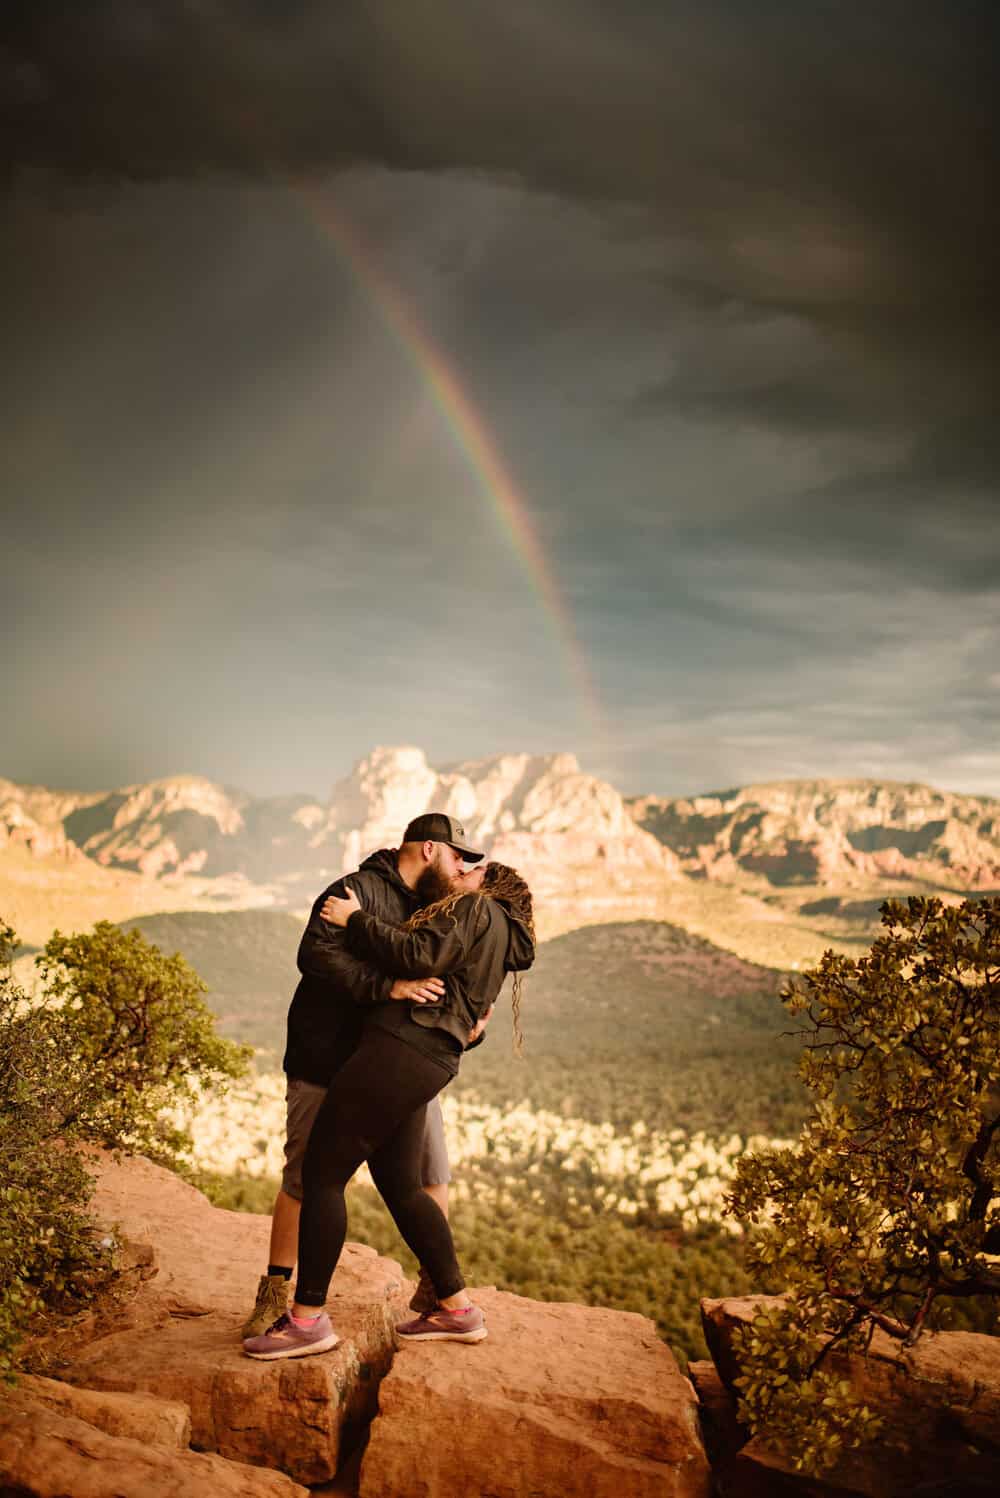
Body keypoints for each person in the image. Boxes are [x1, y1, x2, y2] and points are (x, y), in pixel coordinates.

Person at [242, 859, 535, 1360]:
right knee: (401, 1185)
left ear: (492, 884)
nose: (465, 869)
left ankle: (307, 1319)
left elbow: (420, 954)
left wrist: (353, 920)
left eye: (476, 868)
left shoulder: (476, 907)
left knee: (322, 1175)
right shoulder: (504, 935)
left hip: (399, 1050)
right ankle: (456, 1308)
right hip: (431, 1060)